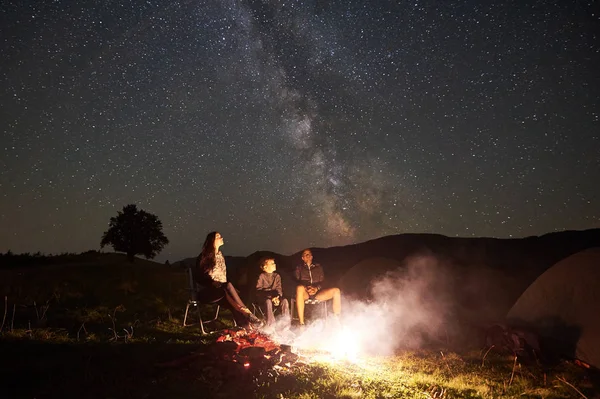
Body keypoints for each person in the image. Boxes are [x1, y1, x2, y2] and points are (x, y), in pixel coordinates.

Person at [194, 231, 262, 329]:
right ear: (212, 241)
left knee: (234, 303)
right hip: (207, 291)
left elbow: (223, 277)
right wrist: (212, 282)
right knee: (229, 289)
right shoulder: (204, 256)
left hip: (222, 291)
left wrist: (232, 290)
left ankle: (247, 328)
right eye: (218, 236)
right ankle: (248, 314)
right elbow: (199, 276)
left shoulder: (220, 256)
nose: (221, 237)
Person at [294, 249, 341, 326]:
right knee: (299, 288)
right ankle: (301, 323)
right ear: (302, 258)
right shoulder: (299, 268)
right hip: (305, 293)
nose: (307, 255)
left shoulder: (318, 267)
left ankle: (337, 321)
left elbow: (324, 281)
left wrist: (316, 288)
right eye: (305, 254)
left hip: (318, 292)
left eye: (309, 254)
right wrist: (306, 288)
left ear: (312, 257)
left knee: (336, 291)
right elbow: (295, 281)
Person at [255, 257, 290, 327]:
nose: (274, 264)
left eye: (274, 263)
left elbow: (279, 289)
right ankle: (271, 325)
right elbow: (258, 290)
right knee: (268, 301)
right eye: (272, 263)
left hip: (275, 297)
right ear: (265, 267)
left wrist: (278, 297)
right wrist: (271, 297)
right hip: (264, 299)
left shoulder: (277, 276)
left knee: (285, 301)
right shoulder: (261, 276)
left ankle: (285, 325)